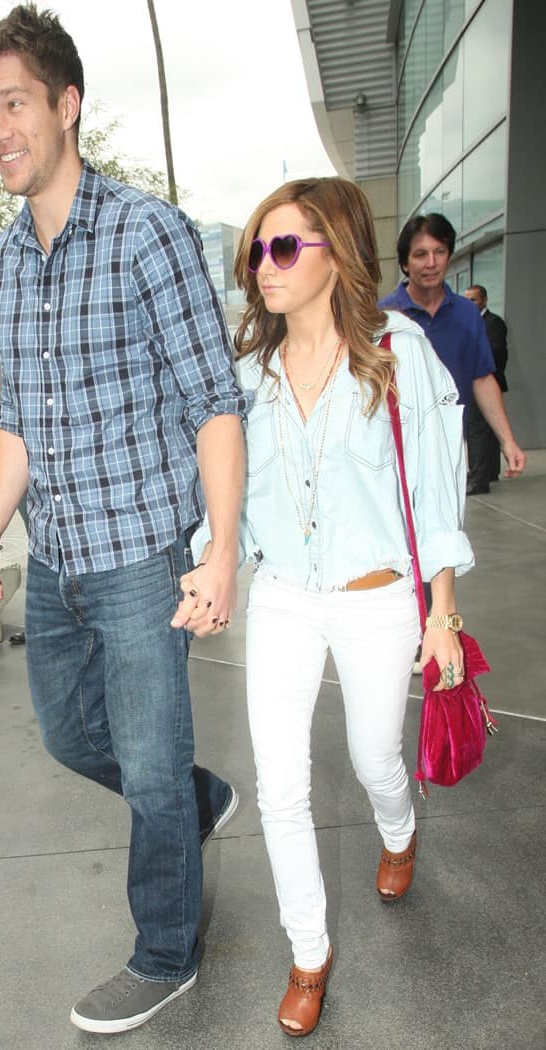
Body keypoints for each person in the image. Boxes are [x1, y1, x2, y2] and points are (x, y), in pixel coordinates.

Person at [0, 5, 249, 1035]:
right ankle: (194, 793)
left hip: (140, 562)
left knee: (150, 767)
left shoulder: (147, 234)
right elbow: (20, 427)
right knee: (70, 735)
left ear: (65, 106)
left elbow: (215, 401)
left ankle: (164, 952)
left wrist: (218, 552)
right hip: (59, 560)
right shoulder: (2, 262)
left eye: (15, 104)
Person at [182, 178, 474, 1037]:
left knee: (374, 753)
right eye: (255, 252)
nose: (262, 268)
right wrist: (213, 561)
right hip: (283, 598)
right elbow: (226, 490)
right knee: (281, 784)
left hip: (377, 598)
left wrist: (441, 611)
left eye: (281, 249)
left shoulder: (398, 354)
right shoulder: (248, 374)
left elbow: (435, 486)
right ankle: (308, 954)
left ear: (333, 254)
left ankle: (398, 826)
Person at [378, 213, 525, 490]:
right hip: (395, 446)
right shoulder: (384, 316)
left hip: (450, 445)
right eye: (420, 254)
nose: (431, 263)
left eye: (439, 252)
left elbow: (482, 378)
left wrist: (507, 440)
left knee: (447, 529)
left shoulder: (467, 313)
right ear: (404, 263)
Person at [463, 285, 509, 493]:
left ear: (484, 300)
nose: (469, 304)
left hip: (485, 383)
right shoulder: (469, 322)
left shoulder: (493, 323)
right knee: (484, 432)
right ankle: (488, 472)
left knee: (478, 432)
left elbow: (497, 352)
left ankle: (478, 479)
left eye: (473, 300)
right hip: (473, 382)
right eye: (467, 301)